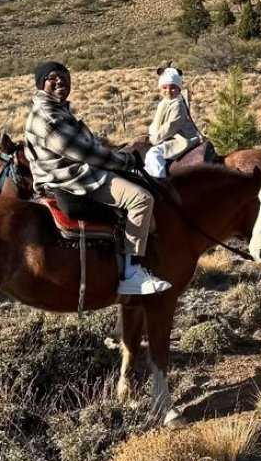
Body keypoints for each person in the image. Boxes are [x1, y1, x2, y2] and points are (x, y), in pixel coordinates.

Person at [24, 61, 171, 296]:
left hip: (70, 173)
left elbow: (87, 145)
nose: (60, 80)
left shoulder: (58, 109)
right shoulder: (47, 115)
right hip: (73, 179)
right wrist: (125, 160)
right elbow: (83, 152)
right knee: (141, 199)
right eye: (53, 77)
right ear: (42, 84)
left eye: (64, 76)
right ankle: (131, 274)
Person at [144, 66, 202, 179]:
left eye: (172, 88)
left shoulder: (177, 105)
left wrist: (154, 139)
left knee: (155, 153)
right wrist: (150, 133)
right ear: (160, 89)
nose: (168, 91)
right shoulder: (163, 103)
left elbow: (170, 126)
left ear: (179, 89)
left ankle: (160, 180)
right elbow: (156, 123)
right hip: (167, 136)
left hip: (182, 138)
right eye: (164, 87)